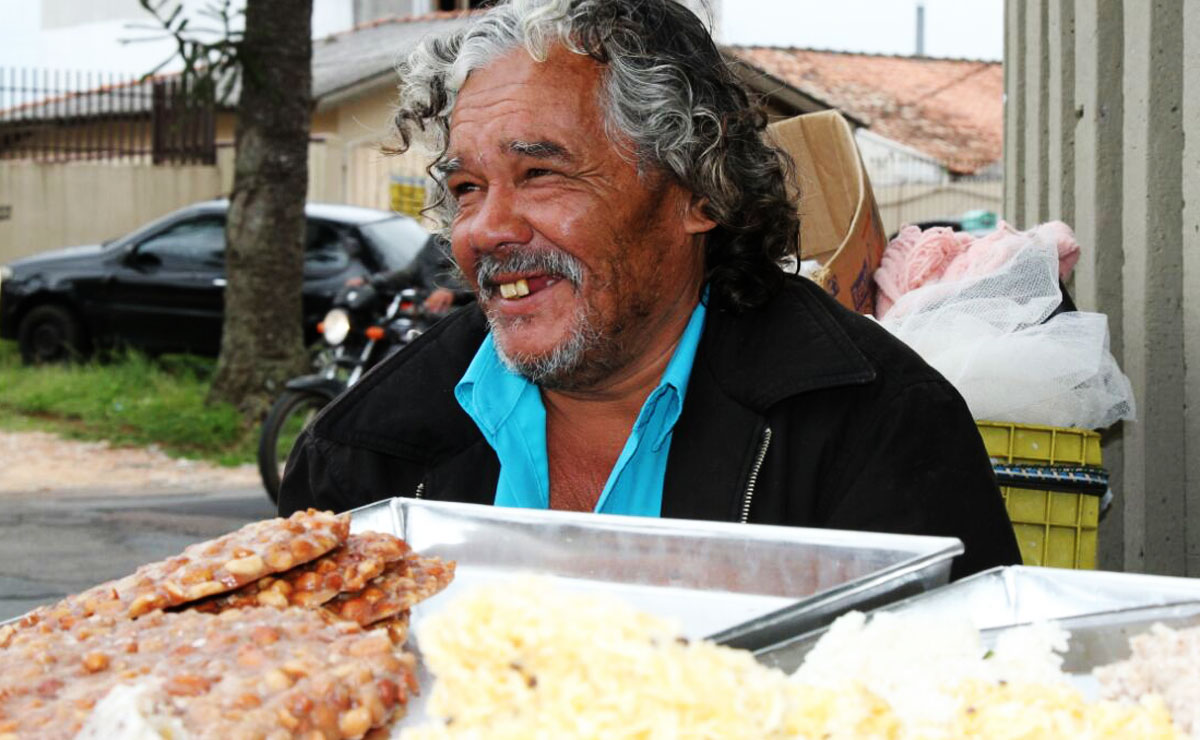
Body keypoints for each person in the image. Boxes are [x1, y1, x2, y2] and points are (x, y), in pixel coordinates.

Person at [279, 0, 1021, 579]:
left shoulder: (877, 429)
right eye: (467, 187)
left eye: (541, 173)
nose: (485, 229)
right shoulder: (360, 456)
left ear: (697, 190)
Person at [345, 235, 473, 314]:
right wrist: (371, 281)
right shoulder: (436, 241)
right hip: (424, 312)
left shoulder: (476, 240)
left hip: (457, 317)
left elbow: (480, 276)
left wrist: (451, 292)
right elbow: (410, 273)